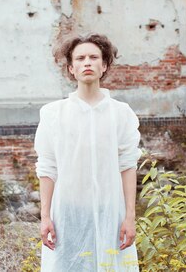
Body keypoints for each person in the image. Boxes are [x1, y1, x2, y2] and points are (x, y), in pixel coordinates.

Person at [34, 33, 142, 271]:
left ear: (104, 66)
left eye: (94, 57)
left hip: (110, 212)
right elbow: (47, 166)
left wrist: (129, 216)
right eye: (80, 58)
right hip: (67, 213)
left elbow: (127, 165)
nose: (87, 62)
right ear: (71, 68)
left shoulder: (121, 114)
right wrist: (45, 217)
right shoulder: (54, 114)